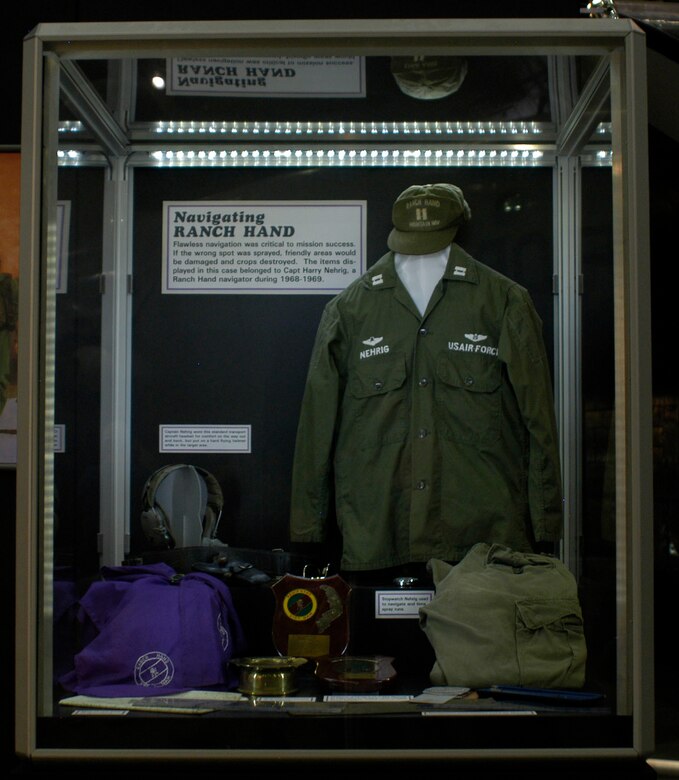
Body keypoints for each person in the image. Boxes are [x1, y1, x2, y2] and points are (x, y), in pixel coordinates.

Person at [290, 183, 563, 574]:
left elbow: (539, 420)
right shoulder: (349, 311)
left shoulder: (504, 303)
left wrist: (545, 522)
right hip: (379, 540)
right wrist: (308, 527)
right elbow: (316, 427)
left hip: (482, 545)